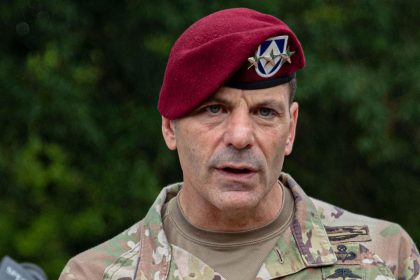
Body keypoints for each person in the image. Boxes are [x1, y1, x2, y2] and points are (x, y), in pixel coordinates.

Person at [59, 8, 419, 280]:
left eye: (265, 112)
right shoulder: (95, 274)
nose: (241, 136)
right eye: (214, 109)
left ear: (290, 128)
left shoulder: (384, 256)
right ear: (169, 127)